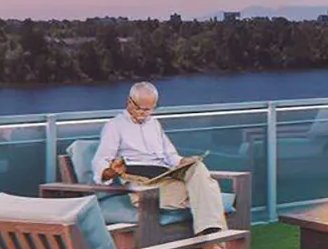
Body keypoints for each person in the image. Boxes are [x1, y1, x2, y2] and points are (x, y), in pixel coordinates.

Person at [92, 81, 229, 234]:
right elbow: (100, 161)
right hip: (143, 183)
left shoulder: (154, 124)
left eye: (148, 110)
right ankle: (214, 237)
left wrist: (183, 161)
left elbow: (170, 155)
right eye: (139, 108)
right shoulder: (114, 126)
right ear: (129, 101)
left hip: (165, 176)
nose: (143, 114)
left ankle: (211, 235)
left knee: (198, 168)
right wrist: (111, 171)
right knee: (208, 191)